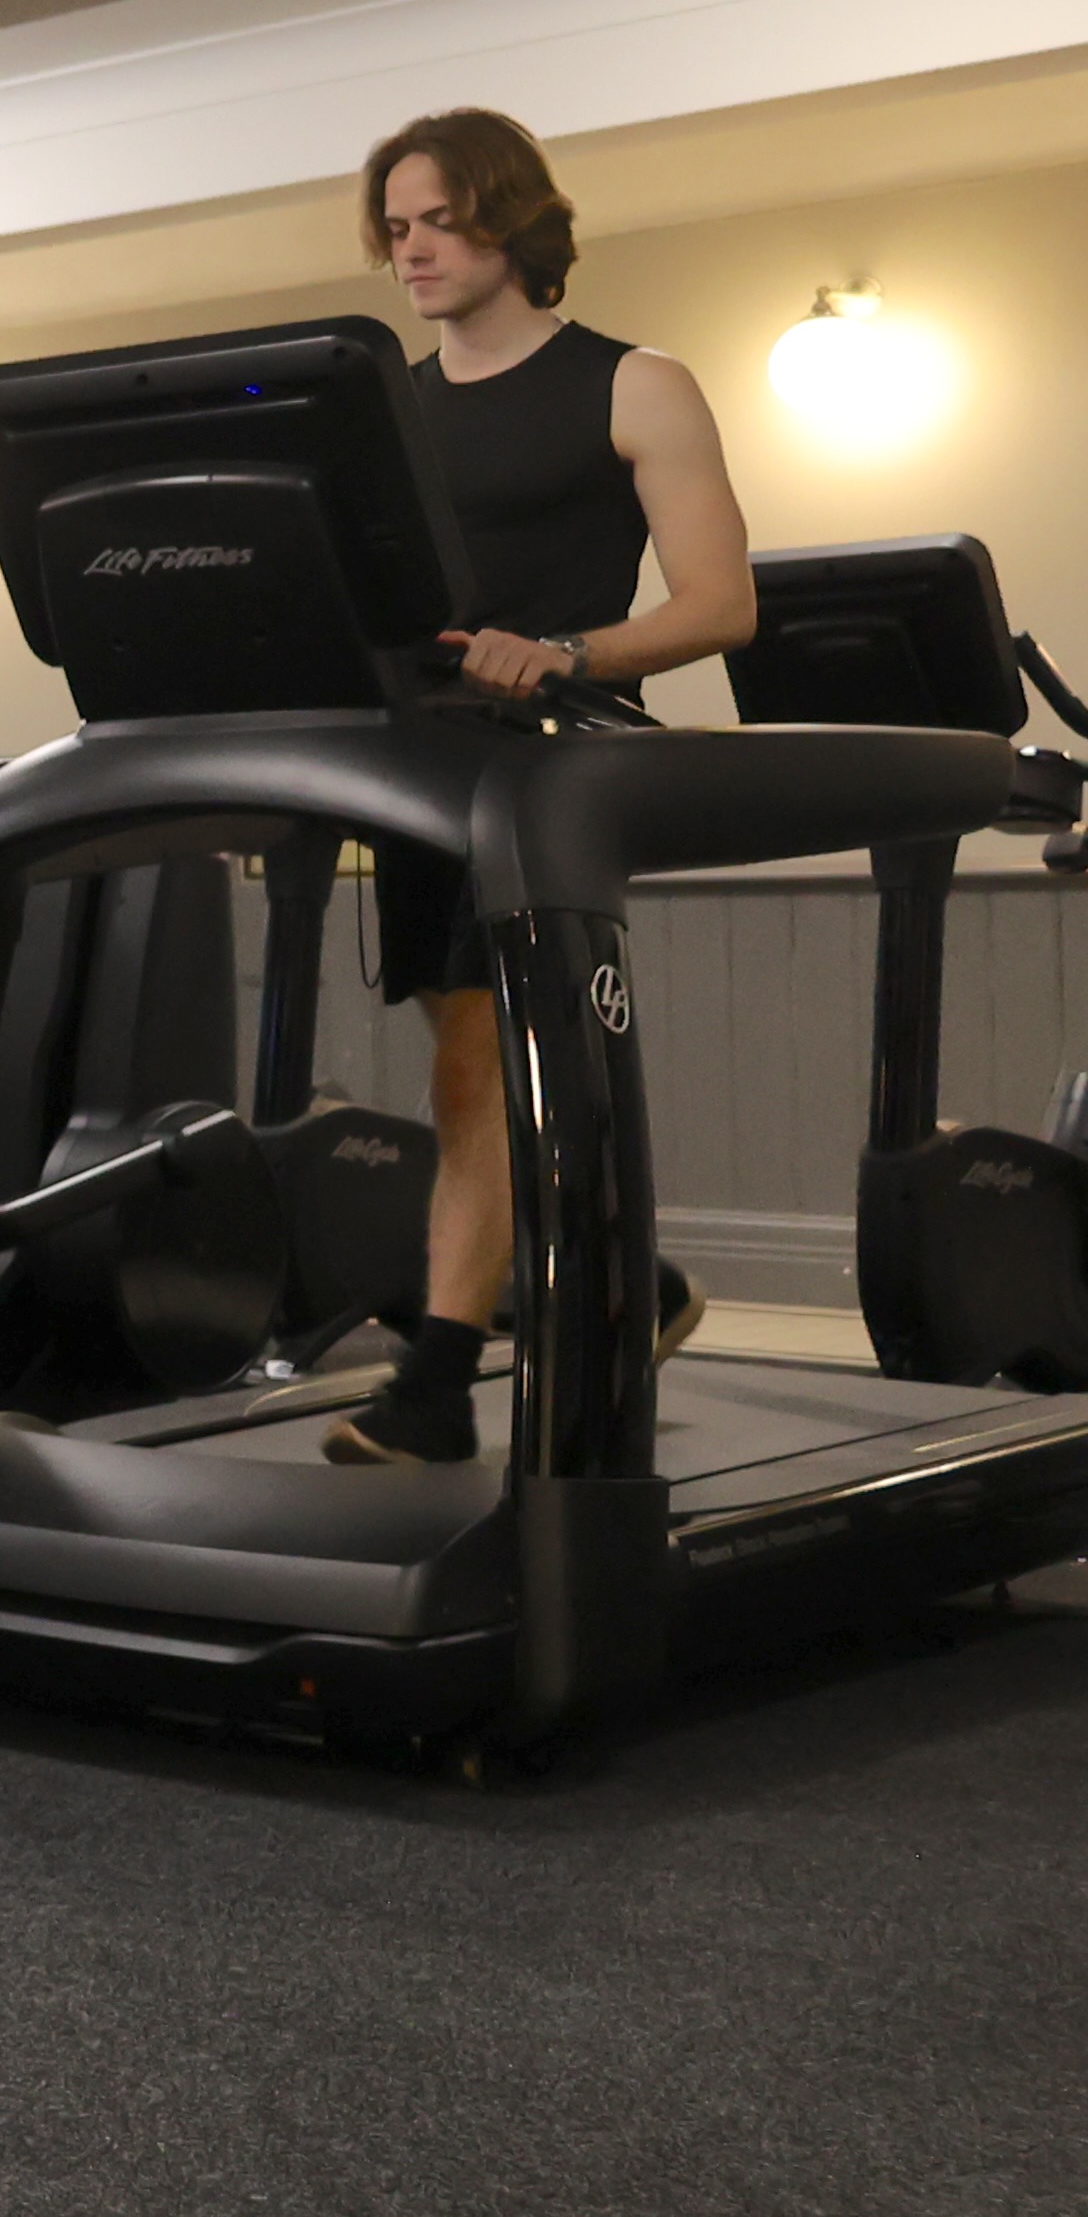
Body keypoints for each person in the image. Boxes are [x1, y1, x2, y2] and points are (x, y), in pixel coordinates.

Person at [329, 109, 752, 1466]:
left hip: (555, 767)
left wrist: (565, 649)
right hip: (424, 771)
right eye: (395, 229)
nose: (412, 251)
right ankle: (634, 1289)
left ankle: (437, 1387)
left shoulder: (633, 383)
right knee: (475, 1080)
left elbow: (722, 603)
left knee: (473, 1068)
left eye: (438, 220)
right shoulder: (385, 412)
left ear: (511, 221)